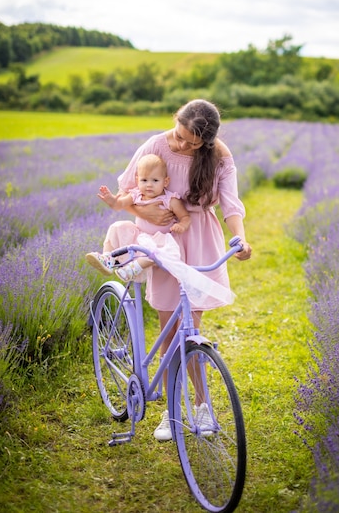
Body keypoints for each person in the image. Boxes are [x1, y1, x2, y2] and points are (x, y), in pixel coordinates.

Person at [98, 99, 252, 441]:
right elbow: (128, 190)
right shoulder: (154, 145)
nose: (182, 145)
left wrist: (240, 239)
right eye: (180, 136)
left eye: (192, 143)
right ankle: (170, 412)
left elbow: (230, 203)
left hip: (198, 241)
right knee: (168, 332)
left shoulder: (219, 156)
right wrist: (149, 214)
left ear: (206, 141)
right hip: (160, 241)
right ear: (176, 122)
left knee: (190, 329)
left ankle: (201, 405)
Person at [86, 154, 191, 281]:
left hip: (160, 239)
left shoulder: (170, 200)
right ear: (137, 180)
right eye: (144, 180)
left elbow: (185, 217)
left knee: (162, 250)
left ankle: (133, 268)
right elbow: (120, 204)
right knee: (117, 226)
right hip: (139, 236)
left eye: (155, 180)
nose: (149, 185)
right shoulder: (136, 194)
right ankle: (108, 258)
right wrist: (112, 200)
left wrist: (181, 225)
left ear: (166, 181)